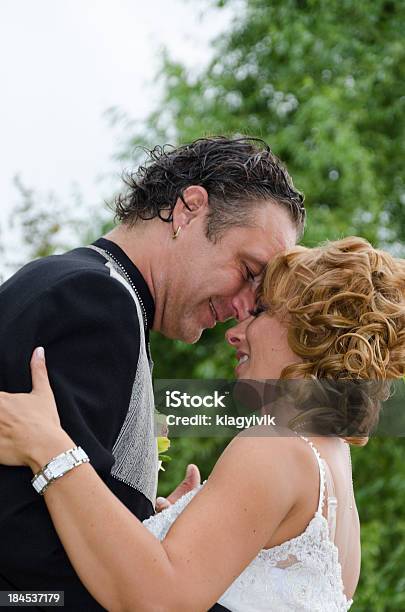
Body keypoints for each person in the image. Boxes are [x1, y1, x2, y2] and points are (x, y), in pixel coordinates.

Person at [1, 237, 403, 611]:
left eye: (260, 312)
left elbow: (159, 601)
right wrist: (159, 535)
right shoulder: (334, 465)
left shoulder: (276, 446)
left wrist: (49, 449)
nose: (236, 332)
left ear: (312, 331)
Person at [0, 136, 304, 610]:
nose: (245, 307)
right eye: (248, 271)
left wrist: (150, 526)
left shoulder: (90, 290)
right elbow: (31, 566)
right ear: (189, 210)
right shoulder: (97, 302)